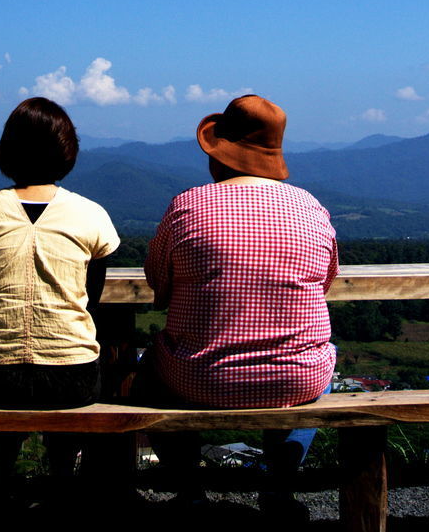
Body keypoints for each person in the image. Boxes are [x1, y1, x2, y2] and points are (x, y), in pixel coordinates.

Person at [140, 94, 338, 519]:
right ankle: (278, 489)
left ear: (219, 156)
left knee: (147, 369)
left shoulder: (187, 206)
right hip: (295, 380)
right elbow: (323, 283)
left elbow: (158, 281)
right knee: (317, 365)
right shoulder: (312, 209)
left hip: (199, 378)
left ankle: (190, 493)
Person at [0, 96, 120, 498]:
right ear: (68, 152)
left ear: (6, 151)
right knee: (73, 391)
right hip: (70, 374)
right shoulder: (91, 214)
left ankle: (2, 484)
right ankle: (62, 481)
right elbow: (88, 298)